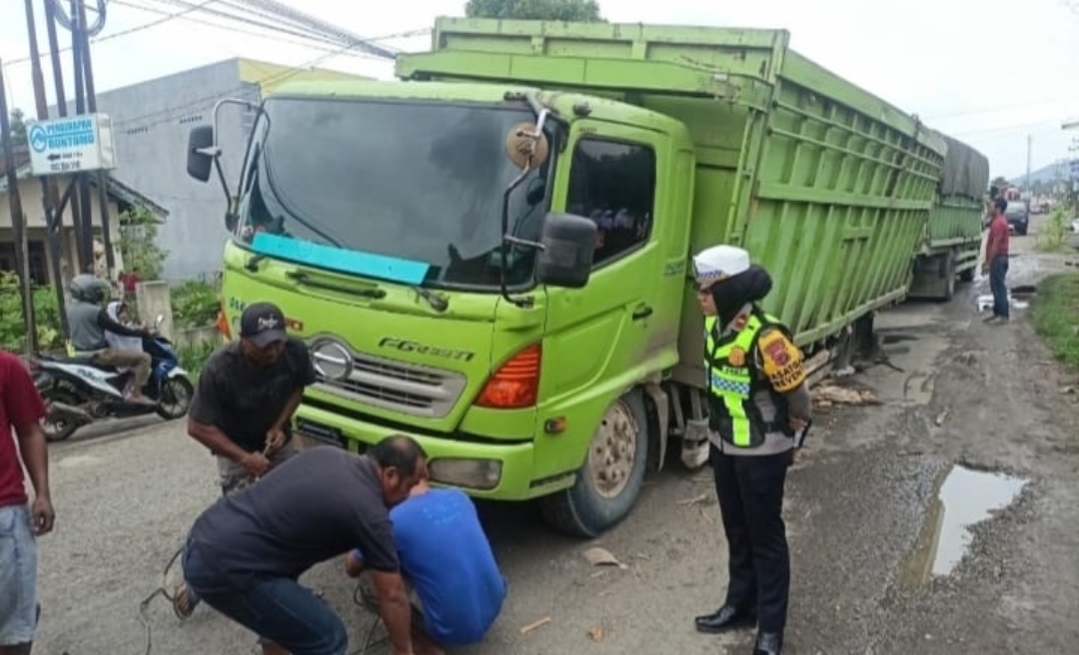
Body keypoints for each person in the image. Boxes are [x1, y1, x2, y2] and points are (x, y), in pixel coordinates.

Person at [180, 436, 428, 655]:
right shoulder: (370, 513)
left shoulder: (330, 455)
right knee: (327, 637)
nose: (410, 496)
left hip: (204, 538)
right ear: (391, 475)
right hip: (225, 566)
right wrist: (403, 648)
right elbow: (392, 595)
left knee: (287, 616)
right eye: (410, 485)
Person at [690, 245, 812, 655]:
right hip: (724, 448)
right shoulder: (713, 326)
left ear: (727, 291)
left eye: (705, 291)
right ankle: (740, 605)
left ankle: (771, 629)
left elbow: (799, 400)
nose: (699, 298)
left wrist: (794, 442)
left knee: (766, 538)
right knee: (736, 531)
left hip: (762, 454)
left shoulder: (768, 337)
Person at [174, 301, 317, 620]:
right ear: (244, 339)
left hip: (275, 443)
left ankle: (283, 590)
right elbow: (197, 427)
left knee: (291, 516)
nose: (274, 352)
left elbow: (298, 388)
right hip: (234, 447)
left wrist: (279, 425)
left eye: (278, 342)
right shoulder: (219, 368)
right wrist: (243, 458)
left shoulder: (292, 351)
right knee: (238, 525)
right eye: (265, 346)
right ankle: (199, 585)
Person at [344, 467, 506, 655]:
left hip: (452, 628)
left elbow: (351, 567)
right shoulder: (459, 496)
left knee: (369, 579)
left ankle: (425, 645)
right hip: (493, 609)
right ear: (426, 474)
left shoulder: (392, 520)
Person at [0, 351, 55, 655]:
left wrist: (43, 493)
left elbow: (30, 431)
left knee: (14, 634)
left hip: (5, 516)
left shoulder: (6, 367)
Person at [65, 274, 155, 405]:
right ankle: (137, 394)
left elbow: (68, 334)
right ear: (88, 293)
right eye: (97, 291)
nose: (100, 294)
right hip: (100, 354)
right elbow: (117, 329)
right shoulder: (96, 311)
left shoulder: (70, 310)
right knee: (144, 358)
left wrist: (70, 352)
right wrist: (140, 333)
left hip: (78, 354)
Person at [982, 197, 1011, 325]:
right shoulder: (996, 221)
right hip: (998, 258)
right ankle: (997, 313)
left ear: (998, 208)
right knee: (995, 287)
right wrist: (987, 260)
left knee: (999, 287)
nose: (989, 208)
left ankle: (1003, 315)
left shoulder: (999, 223)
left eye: (992, 206)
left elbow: (996, 244)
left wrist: (989, 262)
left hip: (999, 259)